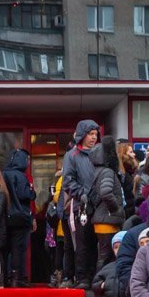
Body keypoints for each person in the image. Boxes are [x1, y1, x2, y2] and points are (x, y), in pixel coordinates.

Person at [60, 119, 100, 287]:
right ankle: (83, 278)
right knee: (82, 243)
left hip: (101, 205)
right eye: (90, 134)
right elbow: (68, 182)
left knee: (99, 244)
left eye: (96, 134)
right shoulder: (72, 156)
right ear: (82, 135)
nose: (93, 137)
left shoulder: (101, 152)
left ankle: (98, 276)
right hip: (81, 206)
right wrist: (83, 194)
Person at [90, 137, 125, 270]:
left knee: (103, 255)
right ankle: (100, 282)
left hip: (101, 219)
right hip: (107, 220)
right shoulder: (107, 172)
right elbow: (106, 192)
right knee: (106, 256)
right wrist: (115, 209)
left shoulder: (96, 171)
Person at [3, 148, 36, 286]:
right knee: (18, 248)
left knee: (6, 248)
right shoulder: (21, 176)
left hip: (6, 216)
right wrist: (32, 192)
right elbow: (24, 195)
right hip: (20, 216)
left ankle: (6, 276)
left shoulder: (4, 174)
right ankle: (18, 277)